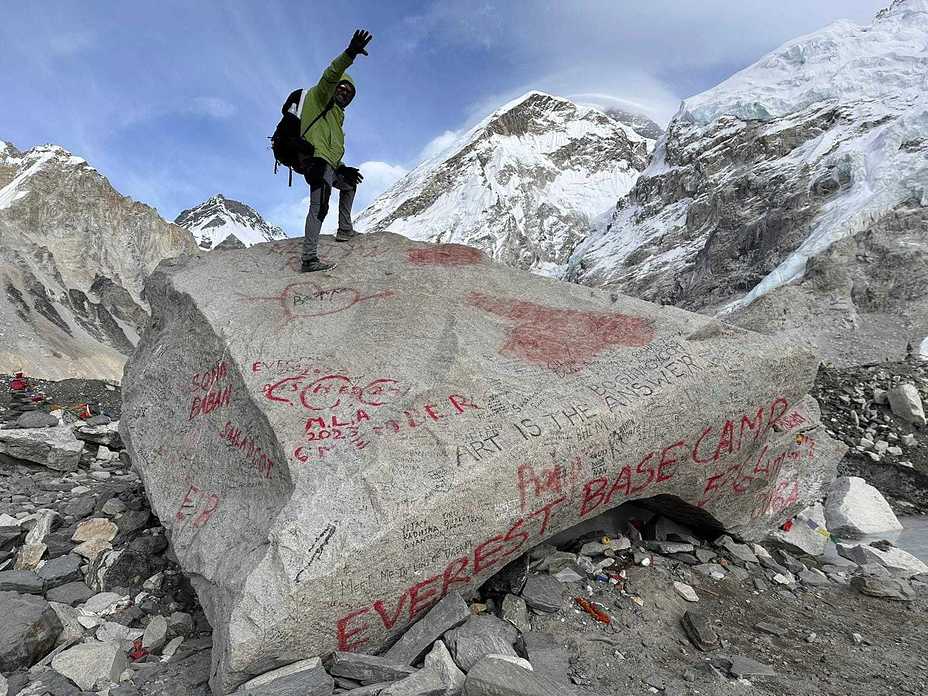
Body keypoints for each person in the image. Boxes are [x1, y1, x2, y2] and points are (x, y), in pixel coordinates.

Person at [285, 29, 373, 273]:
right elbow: (331, 74)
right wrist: (350, 53)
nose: (344, 93)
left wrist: (343, 167)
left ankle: (345, 230)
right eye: (342, 88)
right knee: (319, 205)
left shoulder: (337, 116)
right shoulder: (320, 96)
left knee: (349, 184)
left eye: (349, 93)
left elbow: (332, 148)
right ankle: (309, 259)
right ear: (335, 88)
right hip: (315, 162)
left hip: (330, 164)